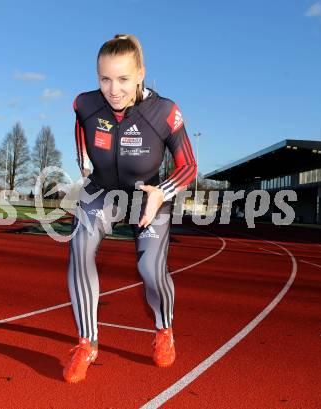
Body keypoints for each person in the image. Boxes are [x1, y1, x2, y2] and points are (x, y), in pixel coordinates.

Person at [63, 34, 197, 383]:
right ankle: (86, 343)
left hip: (148, 194)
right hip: (103, 192)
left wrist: (162, 193)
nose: (113, 89)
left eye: (123, 79)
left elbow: (188, 166)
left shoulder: (165, 112)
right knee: (79, 248)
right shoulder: (84, 103)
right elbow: (81, 128)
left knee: (150, 270)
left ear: (141, 74)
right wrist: (84, 165)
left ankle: (164, 329)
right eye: (104, 78)